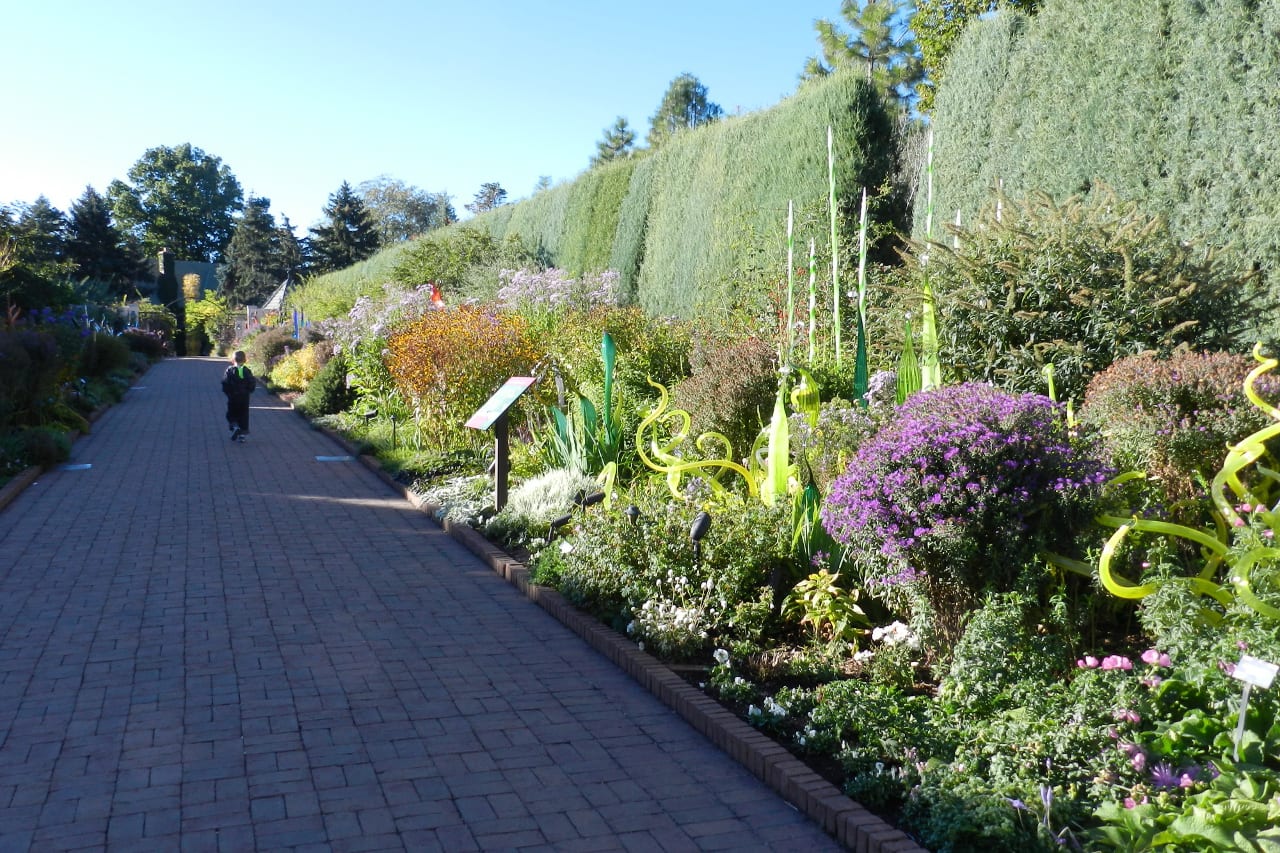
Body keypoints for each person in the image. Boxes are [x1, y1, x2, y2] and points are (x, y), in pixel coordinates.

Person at [222, 351, 257, 442]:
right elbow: (252, 382)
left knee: (231, 414)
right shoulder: (246, 370)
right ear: (245, 360)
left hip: (233, 397)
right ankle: (242, 435)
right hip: (244, 397)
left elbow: (225, 383)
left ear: (233, 360)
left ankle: (235, 426)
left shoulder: (229, 370)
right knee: (244, 415)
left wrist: (228, 393)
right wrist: (249, 391)